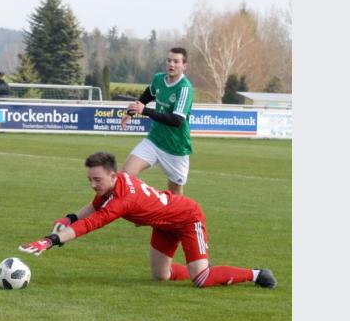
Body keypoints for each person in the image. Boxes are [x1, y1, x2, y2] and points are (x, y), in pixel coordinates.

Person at [18, 151, 277, 289]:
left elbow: (92, 223)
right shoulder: (113, 186)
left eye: (97, 180)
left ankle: (256, 275)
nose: (92, 184)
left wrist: (51, 241)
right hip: (164, 225)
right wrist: (70, 217)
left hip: (187, 217)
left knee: (202, 280)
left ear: (112, 175)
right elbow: (92, 208)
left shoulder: (124, 199)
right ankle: (199, 266)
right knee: (160, 276)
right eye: (89, 179)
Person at [120, 47, 193, 195]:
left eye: (176, 61)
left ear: (184, 66)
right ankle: (144, 203)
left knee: (175, 197)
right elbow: (149, 94)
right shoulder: (159, 79)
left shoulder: (185, 88)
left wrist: (145, 111)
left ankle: (176, 216)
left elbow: (176, 120)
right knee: (124, 177)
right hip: (154, 141)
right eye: (169, 60)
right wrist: (132, 111)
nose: (171, 64)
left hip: (176, 148)